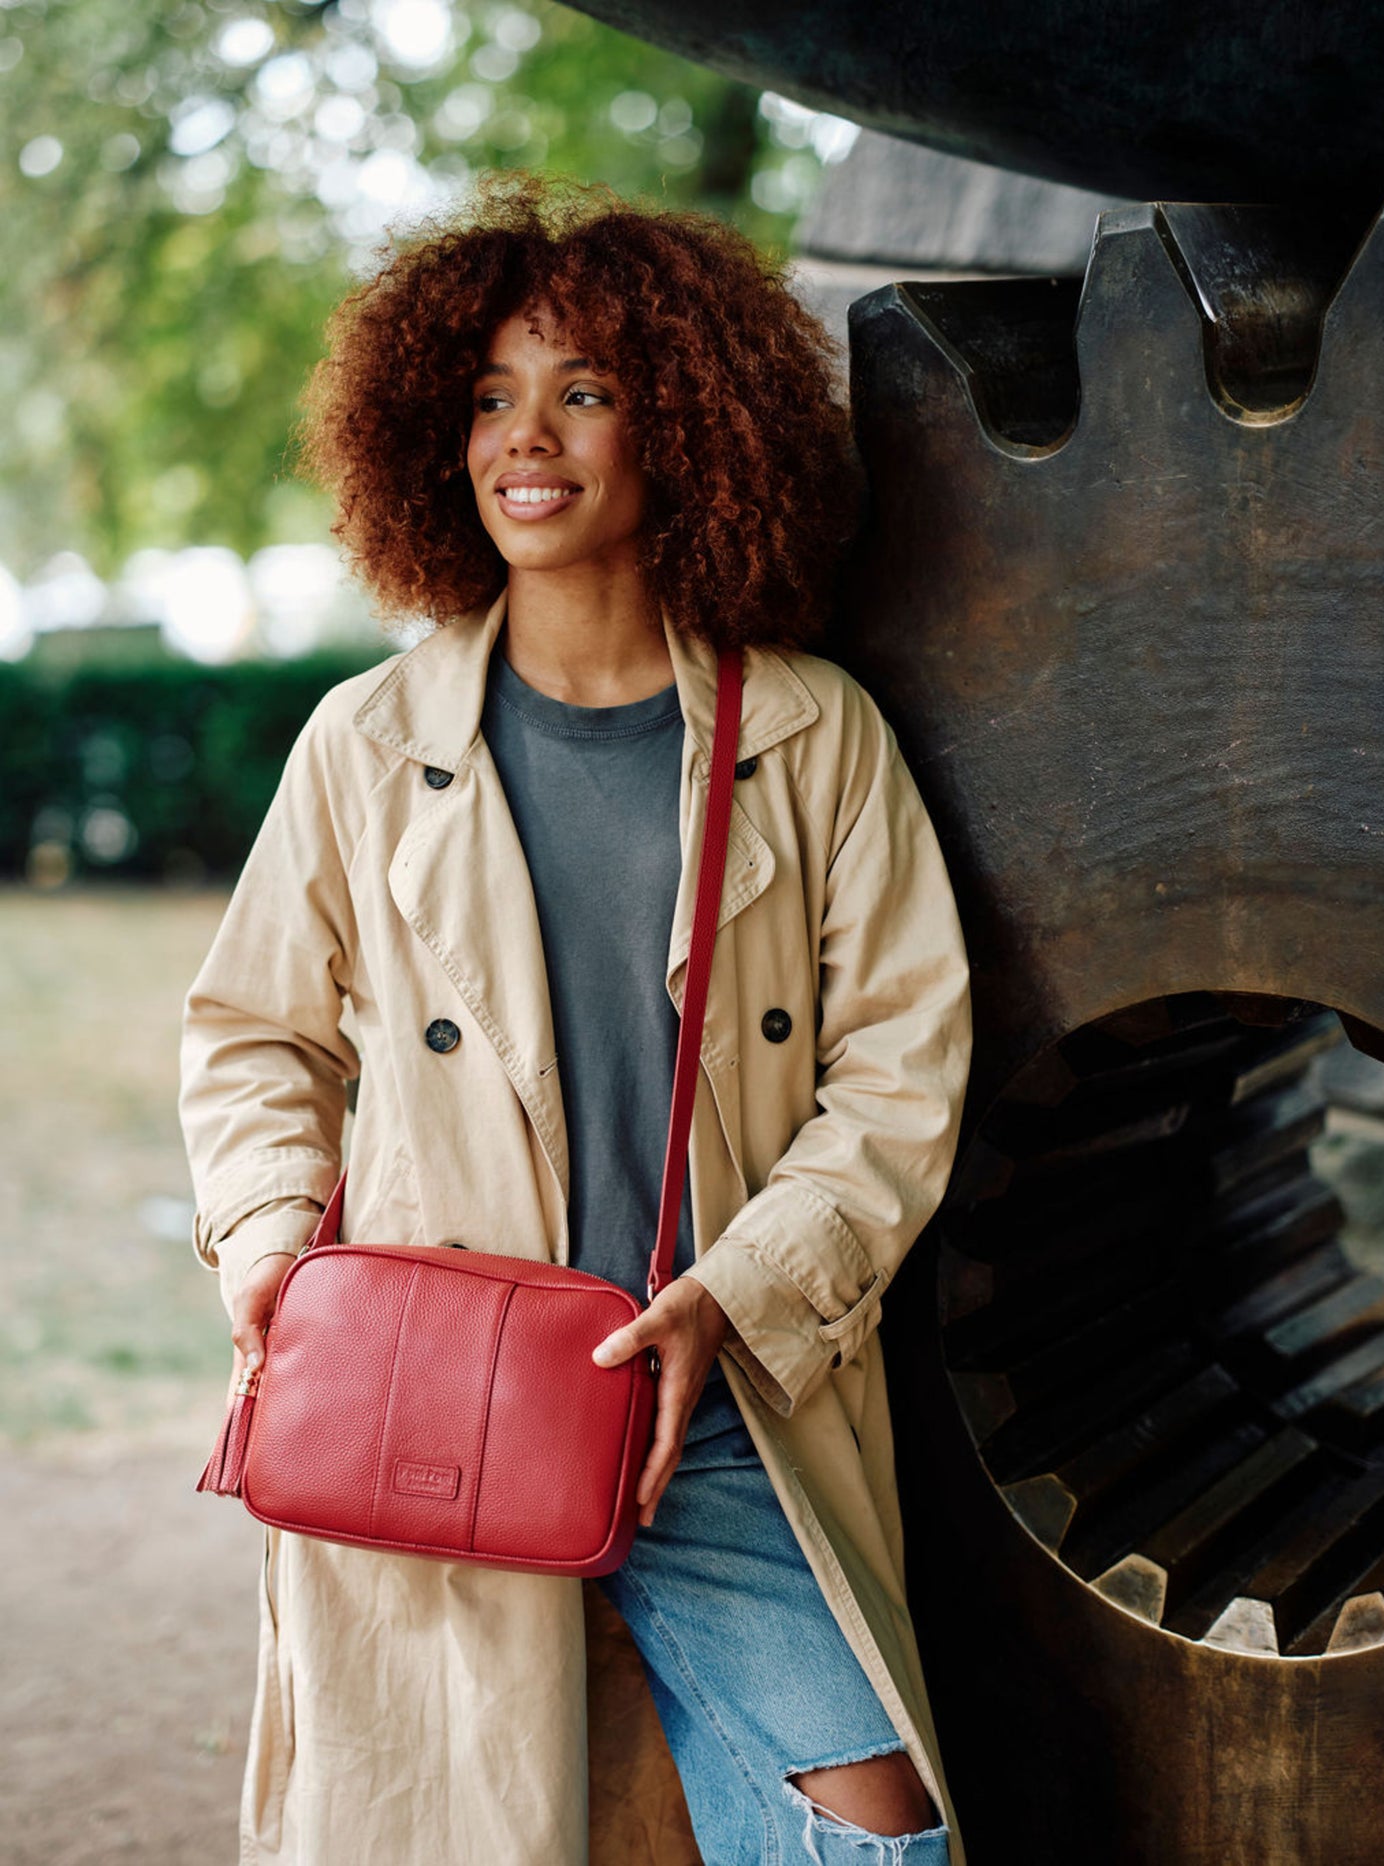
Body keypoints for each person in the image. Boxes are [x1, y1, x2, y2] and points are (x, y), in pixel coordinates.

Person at [180, 174, 972, 1866]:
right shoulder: (364, 741)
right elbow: (255, 1034)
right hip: (434, 1385)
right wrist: (261, 1243)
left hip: (711, 1386)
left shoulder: (814, 735)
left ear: (683, 425)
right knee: (439, 1825)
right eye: (486, 396)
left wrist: (733, 1295)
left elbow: (902, 1069)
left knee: (871, 1826)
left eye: (584, 391)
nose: (523, 438)